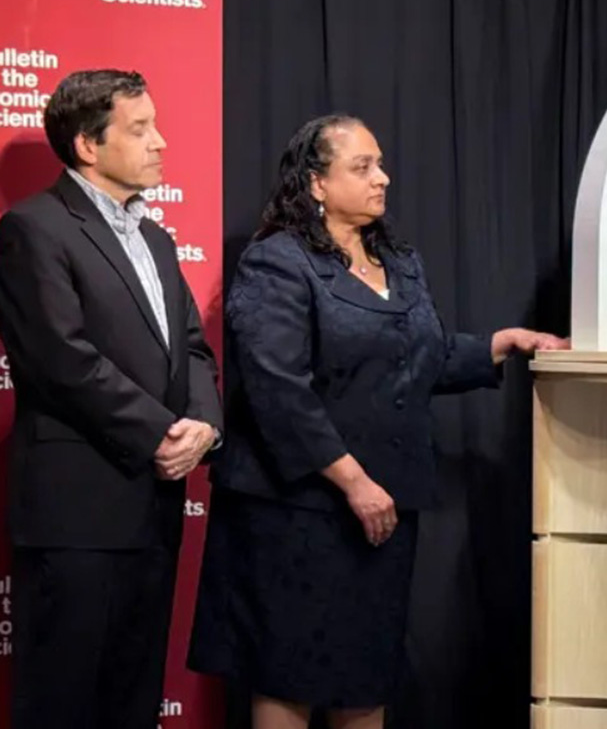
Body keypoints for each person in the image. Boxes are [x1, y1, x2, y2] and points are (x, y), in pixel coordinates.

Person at [188, 114, 567, 728]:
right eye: (362, 167)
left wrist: (503, 343)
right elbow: (278, 389)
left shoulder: (399, 260)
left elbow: (416, 359)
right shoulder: (277, 263)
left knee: (366, 675)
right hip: (297, 511)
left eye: (380, 164)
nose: (382, 178)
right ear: (316, 183)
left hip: (382, 510)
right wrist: (353, 482)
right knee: (288, 677)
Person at [0, 69, 223, 729]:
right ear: (87, 145)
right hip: (77, 514)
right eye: (140, 128)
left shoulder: (155, 238)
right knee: (63, 703)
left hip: (152, 509)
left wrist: (204, 425)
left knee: (134, 700)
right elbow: (60, 358)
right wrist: (161, 432)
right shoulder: (33, 228)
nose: (160, 142)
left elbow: (192, 348)